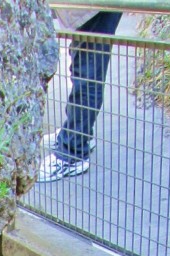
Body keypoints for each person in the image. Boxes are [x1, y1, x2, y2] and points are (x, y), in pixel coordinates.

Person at [38, 7, 123, 182]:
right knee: (83, 63)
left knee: (88, 71)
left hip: (95, 7)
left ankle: (73, 153)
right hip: (89, 8)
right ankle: (78, 134)